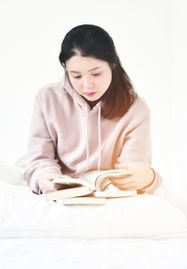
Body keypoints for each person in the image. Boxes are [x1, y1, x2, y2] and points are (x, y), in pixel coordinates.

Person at [24, 24, 159, 194]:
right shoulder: (47, 98)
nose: (87, 85)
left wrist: (146, 177)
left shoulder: (136, 108)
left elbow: (133, 166)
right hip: (62, 193)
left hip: (107, 192)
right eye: (76, 76)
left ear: (113, 65)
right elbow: (40, 159)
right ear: (66, 69)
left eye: (96, 74)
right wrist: (47, 179)